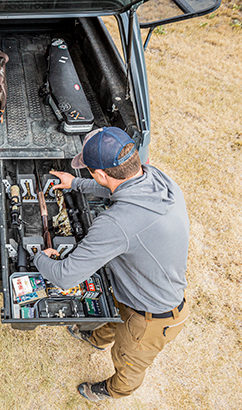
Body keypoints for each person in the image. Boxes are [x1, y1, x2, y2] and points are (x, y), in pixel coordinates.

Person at [33, 127, 190, 401]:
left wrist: (38, 256)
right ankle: (94, 339)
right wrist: (76, 184)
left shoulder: (116, 224)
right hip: (134, 293)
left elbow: (65, 277)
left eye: (91, 171)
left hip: (153, 316)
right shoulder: (158, 179)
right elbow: (117, 189)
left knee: (127, 359)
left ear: (101, 174)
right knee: (116, 320)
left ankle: (110, 391)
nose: (92, 176)